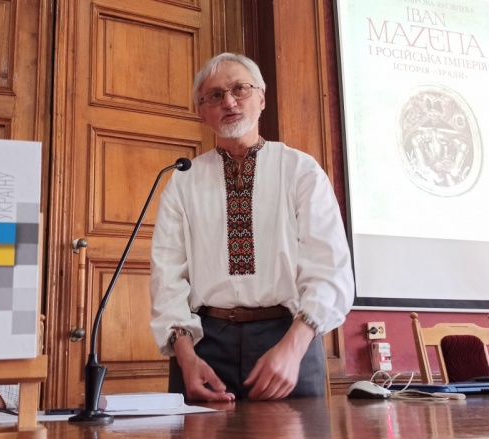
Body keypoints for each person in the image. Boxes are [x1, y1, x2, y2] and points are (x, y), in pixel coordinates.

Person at [149, 52, 355, 402]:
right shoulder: (183, 180)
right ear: (202, 112)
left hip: (289, 340)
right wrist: (186, 357)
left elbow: (329, 267)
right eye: (215, 95)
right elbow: (166, 275)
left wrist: (293, 347)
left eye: (239, 89)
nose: (229, 102)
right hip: (203, 348)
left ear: (261, 97)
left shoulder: (300, 170)